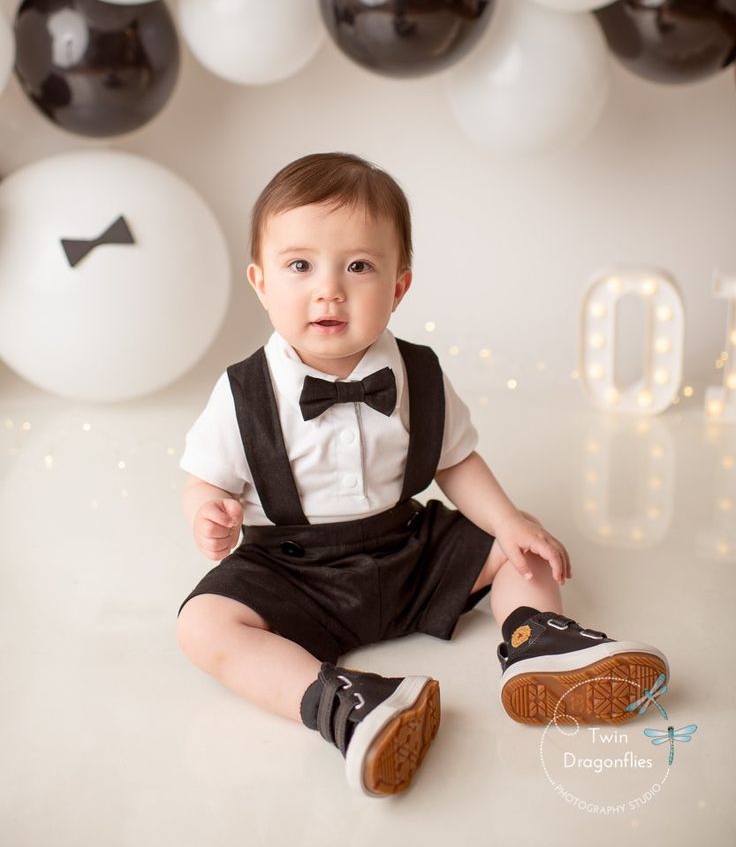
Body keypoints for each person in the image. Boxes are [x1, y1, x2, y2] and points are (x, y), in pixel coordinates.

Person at [176, 152, 668, 799]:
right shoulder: (241, 393)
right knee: (202, 626)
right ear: (261, 282)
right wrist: (208, 513)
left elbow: (455, 460)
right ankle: (347, 704)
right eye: (300, 266)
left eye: (359, 266)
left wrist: (509, 520)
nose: (329, 289)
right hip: (295, 572)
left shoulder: (420, 375)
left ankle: (536, 642)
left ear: (399, 286)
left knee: (524, 549)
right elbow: (204, 480)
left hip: (408, 549)